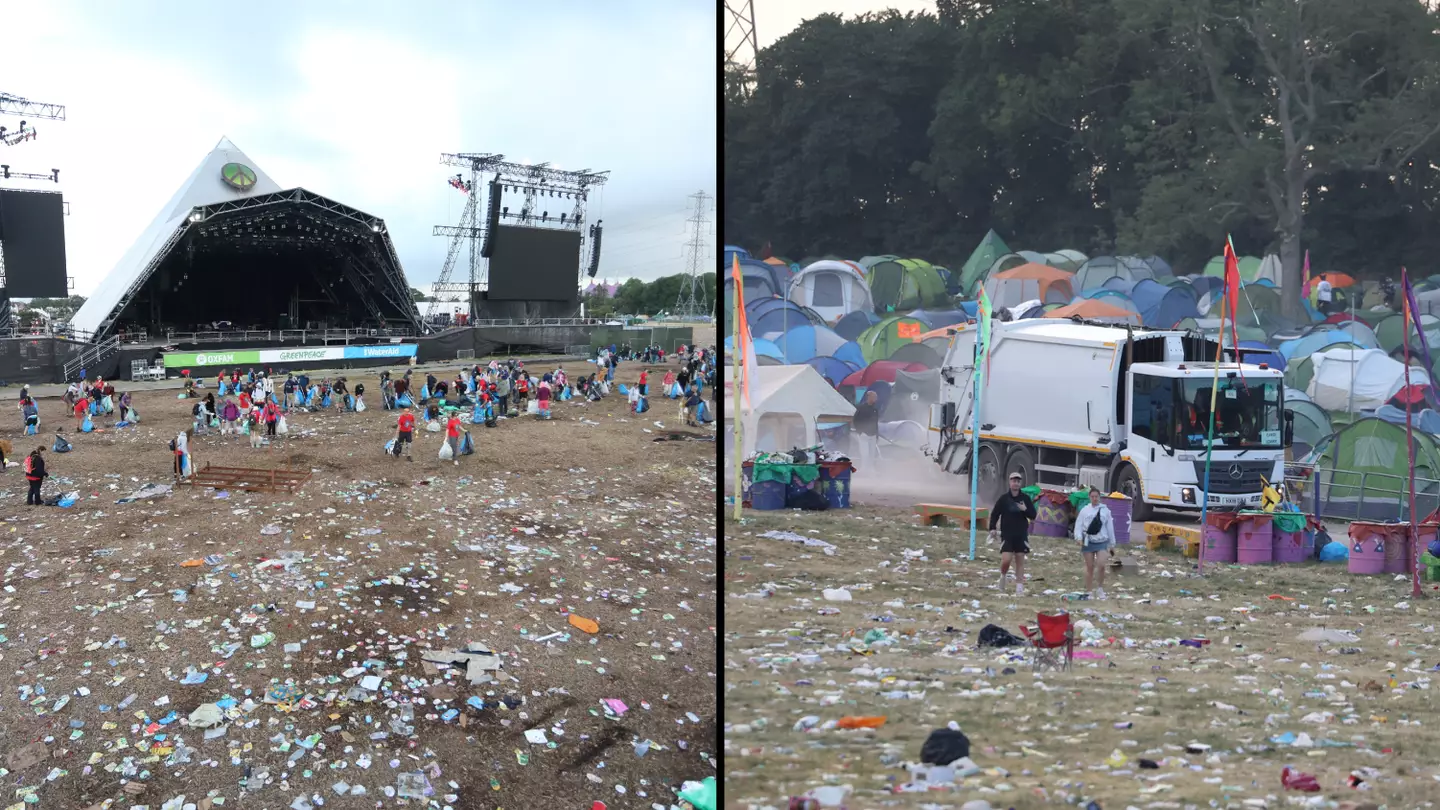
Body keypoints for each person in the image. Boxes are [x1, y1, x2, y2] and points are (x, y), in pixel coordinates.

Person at [988, 471, 1037, 595]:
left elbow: (1033, 515)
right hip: (1007, 534)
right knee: (1006, 560)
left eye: (1018, 481)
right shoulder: (1004, 499)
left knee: (1020, 560)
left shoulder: (1025, 498)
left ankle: (1019, 588)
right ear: (1009, 482)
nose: (1016, 483)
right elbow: (995, 514)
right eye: (1013, 481)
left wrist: (1024, 509)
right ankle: (1003, 577)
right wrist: (992, 528)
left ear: (1020, 483)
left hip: (1021, 534)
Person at [1073, 487, 1117, 599]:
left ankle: (1100, 589)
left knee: (1101, 564)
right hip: (1088, 541)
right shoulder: (1085, 510)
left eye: (1096, 496)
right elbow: (1078, 525)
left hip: (1102, 541)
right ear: (1089, 498)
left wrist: (1112, 544)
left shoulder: (1105, 510)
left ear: (1099, 497)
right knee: (1090, 567)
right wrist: (1078, 537)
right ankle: (1089, 591)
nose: (1094, 499)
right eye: (1092, 497)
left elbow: (1110, 527)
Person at [851, 390, 881, 468]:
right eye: (874, 397)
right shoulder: (861, 408)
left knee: (871, 454)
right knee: (865, 454)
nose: (876, 399)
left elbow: (875, 422)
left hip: (873, 435)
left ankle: (870, 469)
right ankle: (864, 469)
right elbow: (855, 420)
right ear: (869, 397)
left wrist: (877, 434)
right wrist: (860, 431)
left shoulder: (875, 409)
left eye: (876, 397)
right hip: (864, 434)